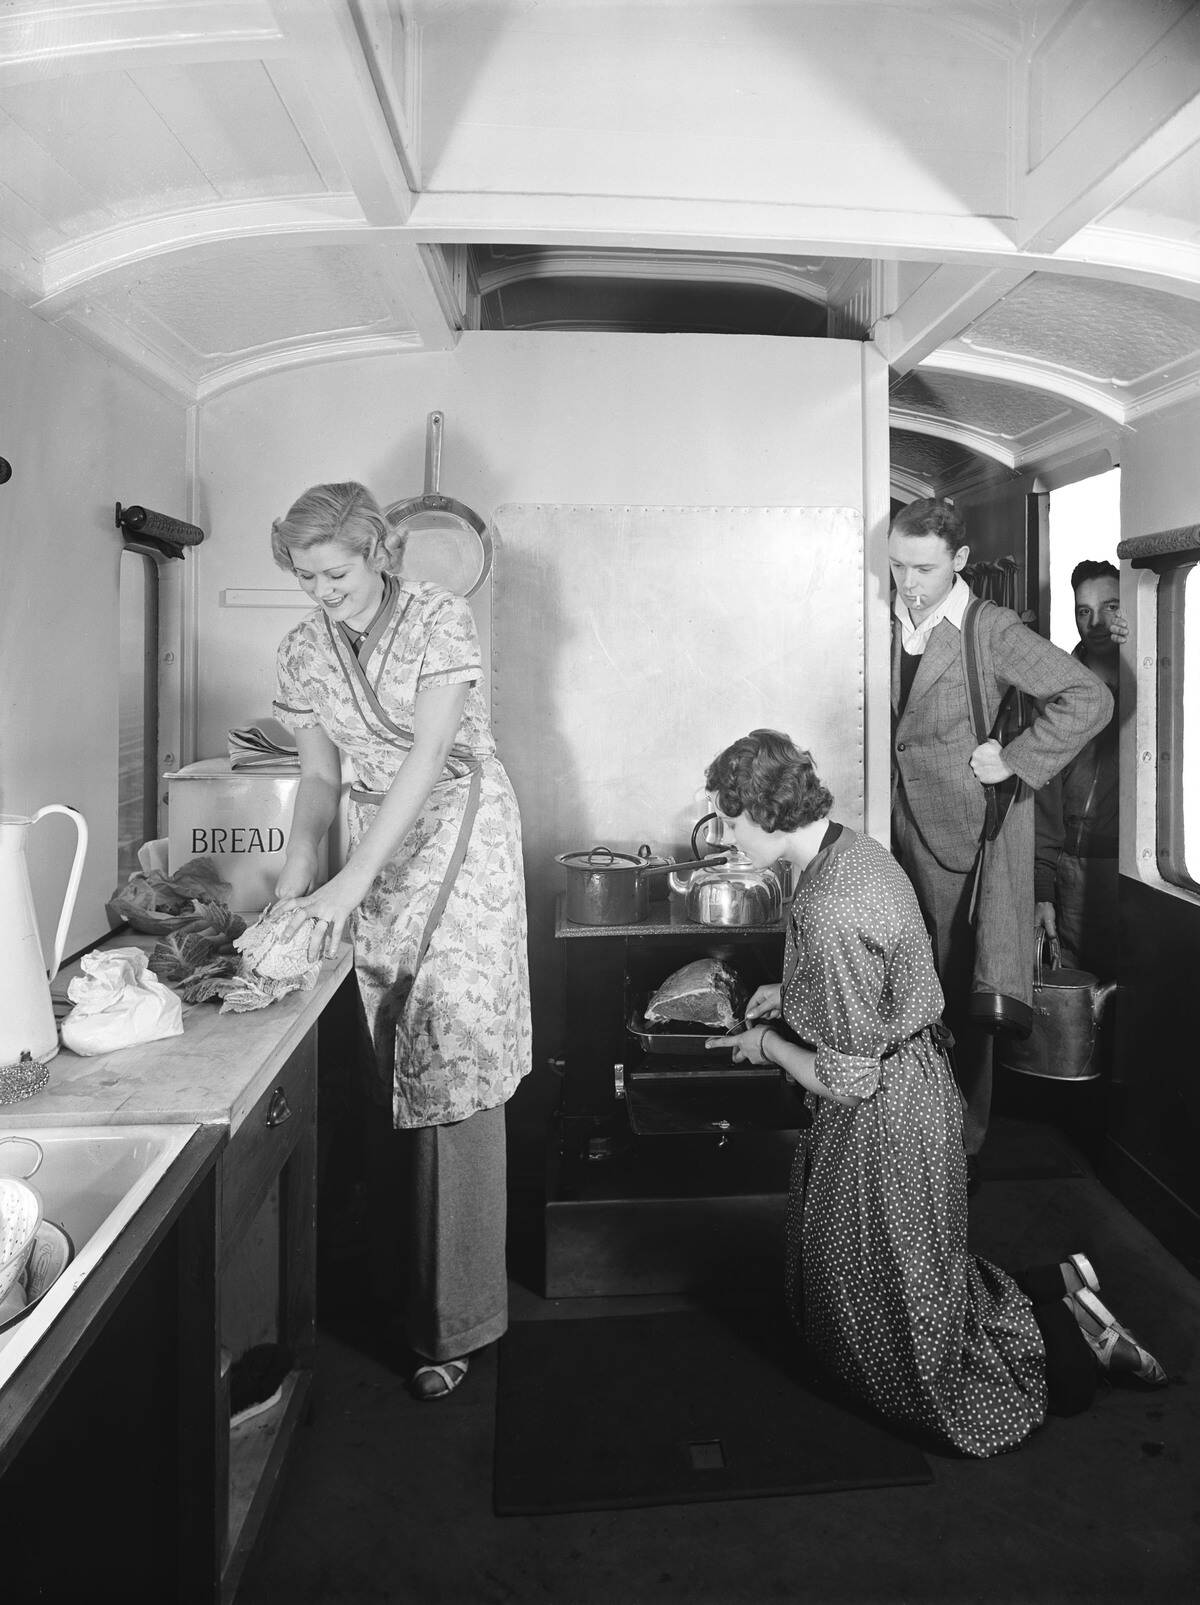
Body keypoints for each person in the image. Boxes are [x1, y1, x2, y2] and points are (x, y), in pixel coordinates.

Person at [704, 729, 1166, 1457]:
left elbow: (846, 1081)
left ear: (767, 812)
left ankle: (1074, 1353)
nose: (727, 837)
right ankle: (1057, 1292)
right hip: (920, 1088)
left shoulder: (829, 908)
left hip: (886, 1115)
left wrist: (767, 1044)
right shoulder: (849, 850)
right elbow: (874, 982)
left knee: (902, 1364)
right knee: (903, 1288)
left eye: (731, 821)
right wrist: (790, 990)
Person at [268, 481, 532, 1400]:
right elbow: (317, 782)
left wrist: (349, 881)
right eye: (305, 577)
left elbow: (428, 759)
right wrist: (294, 887)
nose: (321, 593)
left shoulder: (438, 618)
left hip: (461, 825)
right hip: (381, 839)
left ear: (378, 551)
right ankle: (396, 1284)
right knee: (389, 1053)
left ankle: (456, 1319)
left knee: (451, 1050)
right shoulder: (303, 649)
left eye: (334, 573)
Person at [888, 497, 1113, 1188]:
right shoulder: (882, 622)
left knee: (961, 997)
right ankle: (901, 1140)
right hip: (890, 835)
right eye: (896, 565)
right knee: (897, 992)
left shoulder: (991, 630)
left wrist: (1014, 759)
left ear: (958, 561)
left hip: (961, 839)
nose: (907, 582)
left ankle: (959, 1151)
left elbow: (1088, 699)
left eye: (922, 567)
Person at [1035, 560, 1126, 976]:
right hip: (1075, 867)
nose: (1097, 621)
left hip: (1135, 871)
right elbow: (1044, 797)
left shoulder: (1158, 670)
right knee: (1077, 987)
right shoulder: (1057, 689)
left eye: (1111, 606)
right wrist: (1043, 888)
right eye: (1084, 611)